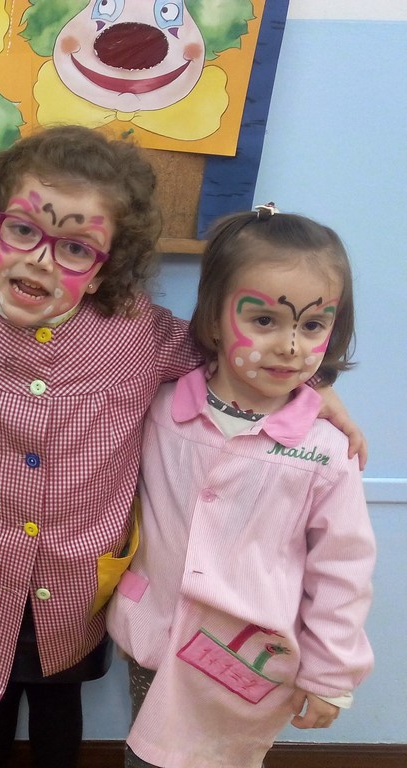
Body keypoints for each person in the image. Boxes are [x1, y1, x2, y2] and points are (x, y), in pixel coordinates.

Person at [0, 126, 363, 768]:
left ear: (103, 272)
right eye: (23, 231)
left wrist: (311, 386)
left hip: (76, 581)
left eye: (74, 248)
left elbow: (231, 347)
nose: (40, 260)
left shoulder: (138, 336)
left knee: (60, 701)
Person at [105, 205, 375, 768]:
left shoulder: (327, 451)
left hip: (249, 656)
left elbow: (342, 569)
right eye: (264, 321)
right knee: (147, 751)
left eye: (312, 326)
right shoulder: (160, 408)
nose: (291, 346)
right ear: (212, 322)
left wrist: (331, 673)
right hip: (157, 632)